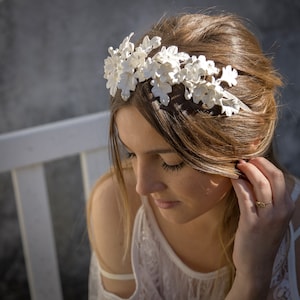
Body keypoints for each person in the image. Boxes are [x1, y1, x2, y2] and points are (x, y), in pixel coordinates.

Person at [87, 12, 300, 300]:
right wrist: (251, 280)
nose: (142, 186)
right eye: (131, 153)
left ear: (251, 141)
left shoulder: (293, 231)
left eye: (170, 162)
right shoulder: (117, 204)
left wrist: (257, 270)